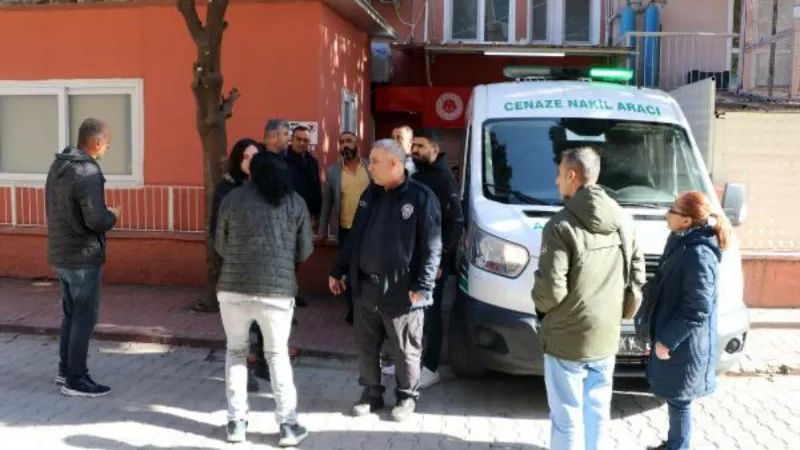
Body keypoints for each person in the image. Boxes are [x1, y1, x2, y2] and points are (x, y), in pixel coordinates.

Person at [531, 147, 645, 450]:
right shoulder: (623, 218)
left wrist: (540, 308)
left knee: (566, 416)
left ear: (572, 175)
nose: (556, 181)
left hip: (567, 338)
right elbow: (637, 273)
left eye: (559, 174)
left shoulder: (560, 225)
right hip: (607, 333)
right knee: (597, 411)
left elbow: (550, 290)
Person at [328, 139, 442, 422]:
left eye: (375, 161)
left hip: (402, 291)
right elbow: (354, 236)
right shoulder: (371, 194)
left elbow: (433, 247)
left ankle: (406, 396)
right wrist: (338, 269)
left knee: (405, 349)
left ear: (395, 164)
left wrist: (423, 287)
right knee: (366, 345)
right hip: (366, 286)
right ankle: (371, 393)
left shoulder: (420, 197)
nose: (370, 166)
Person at [215, 151, 313, 446]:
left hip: (233, 288)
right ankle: (288, 425)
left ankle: (236, 423)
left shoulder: (232, 199)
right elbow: (305, 250)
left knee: (235, 352)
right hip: (278, 293)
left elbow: (220, 243)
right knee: (277, 355)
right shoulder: (295, 202)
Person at [645, 192, 730, 450]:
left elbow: (698, 307)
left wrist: (667, 340)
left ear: (686, 220)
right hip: (679, 335)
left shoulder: (698, 254)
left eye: (672, 210)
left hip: (685, 341)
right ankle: (674, 443)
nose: (667, 214)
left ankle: (678, 446)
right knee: (675, 397)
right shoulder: (682, 241)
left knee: (680, 400)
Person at [45, 118, 119, 397]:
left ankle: (65, 370)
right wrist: (113, 216)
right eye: (108, 142)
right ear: (97, 142)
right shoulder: (88, 171)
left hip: (60, 253)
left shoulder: (59, 166)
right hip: (82, 257)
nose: (109, 147)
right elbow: (96, 219)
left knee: (70, 313)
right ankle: (76, 379)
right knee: (84, 316)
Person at [410, 129, 464, 388]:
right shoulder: (419, 175)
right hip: (412, 257)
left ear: (434, 148)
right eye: (413, 145)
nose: (414, 150)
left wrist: (441, 260)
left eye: (419, 145)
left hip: (432, 262)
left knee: (431, 314)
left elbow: (456, 222)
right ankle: (410, 360)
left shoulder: (443, 179)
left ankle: (430, 367)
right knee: (411, 313)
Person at [318, 131, 370, 325]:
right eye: (341, 142)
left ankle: (368, 310)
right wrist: (323, 230)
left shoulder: (370, 168)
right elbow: (327, 204)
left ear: (357, 144)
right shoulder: (333, 172)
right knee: (348, 271)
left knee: (367, 270)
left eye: (349, 141)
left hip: (370, 230)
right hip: (346, 229)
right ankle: (353, 310)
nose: (345, 145)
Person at [282, 125, 322, 309]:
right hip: (283, 216)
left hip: (302, 217)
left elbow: (315, 189)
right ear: (292, 139)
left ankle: (293, 292)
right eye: (298, 139)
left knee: (297, 256)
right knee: (285, 257)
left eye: (305, 140)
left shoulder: (312, 162)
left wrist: (317, 214)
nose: (301, 143)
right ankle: (285, 294)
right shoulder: (282, 160)